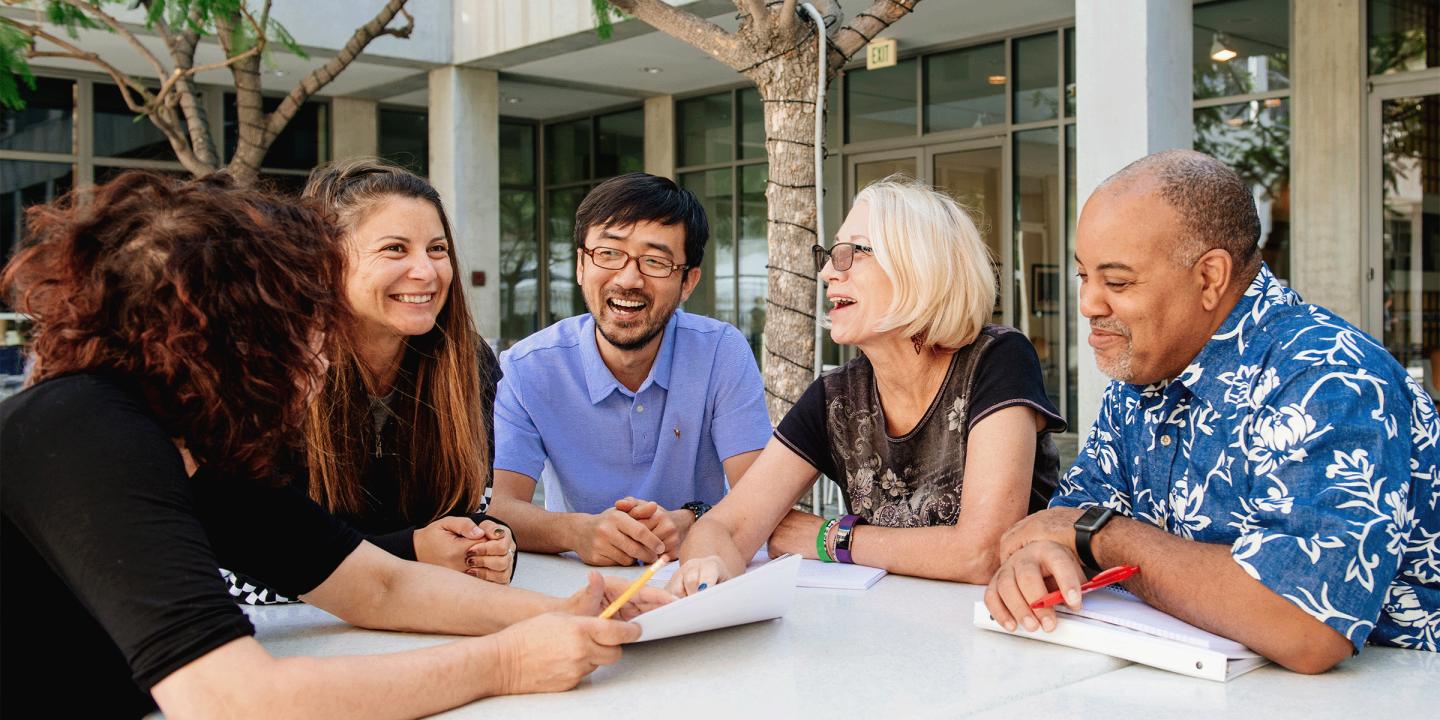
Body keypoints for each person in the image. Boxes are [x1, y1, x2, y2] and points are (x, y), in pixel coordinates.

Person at [0, 172, 669, 718]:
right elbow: (233, 701)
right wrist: (507, 662)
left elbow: (377, 587)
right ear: (237, 331)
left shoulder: (199, 444)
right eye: (310, 320)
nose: (324, 350)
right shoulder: (83, 430)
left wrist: (572, 611)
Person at [984, 150, 1440, 673]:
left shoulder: (1332, 378)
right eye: (1083, 275)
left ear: (1209, 277)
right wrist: (1039, 560)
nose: (1088, 303)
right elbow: (1067, 521)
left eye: (1117, 282)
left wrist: (1100, 538)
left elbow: (1308, 626)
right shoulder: (1146, 369)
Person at [668, 177, 1065, 594]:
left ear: (919, 265)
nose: (825, 272)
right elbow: (725, 528)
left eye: (850, 253)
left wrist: (832, 538)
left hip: (1010, 632)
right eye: (830, 255)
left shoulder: (997, 359)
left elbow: (981, 552)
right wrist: (706, 571)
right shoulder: (836, 398)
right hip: (885, 634)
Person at [222, 159, 513, 605]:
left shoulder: (469, 362)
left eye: (437, 249)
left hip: (429, 622)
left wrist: (489, 544)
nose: (427, 271)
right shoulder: (270, 369)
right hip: (296, 644)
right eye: (396, 249)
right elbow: (244, 569)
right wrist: (410, 552)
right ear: (328, 260)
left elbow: (468, 509)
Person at [489, 172, 773, 566]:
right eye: (608, 254)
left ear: (688, 281)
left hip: (695, 578)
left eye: (655, 261)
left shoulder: (721, 352)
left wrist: (690, 522)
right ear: (580, 266)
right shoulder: (528, 367)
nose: (628, 279)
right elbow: (501, 510)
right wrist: (578, 531)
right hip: (577, 582)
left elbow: (761, 499)